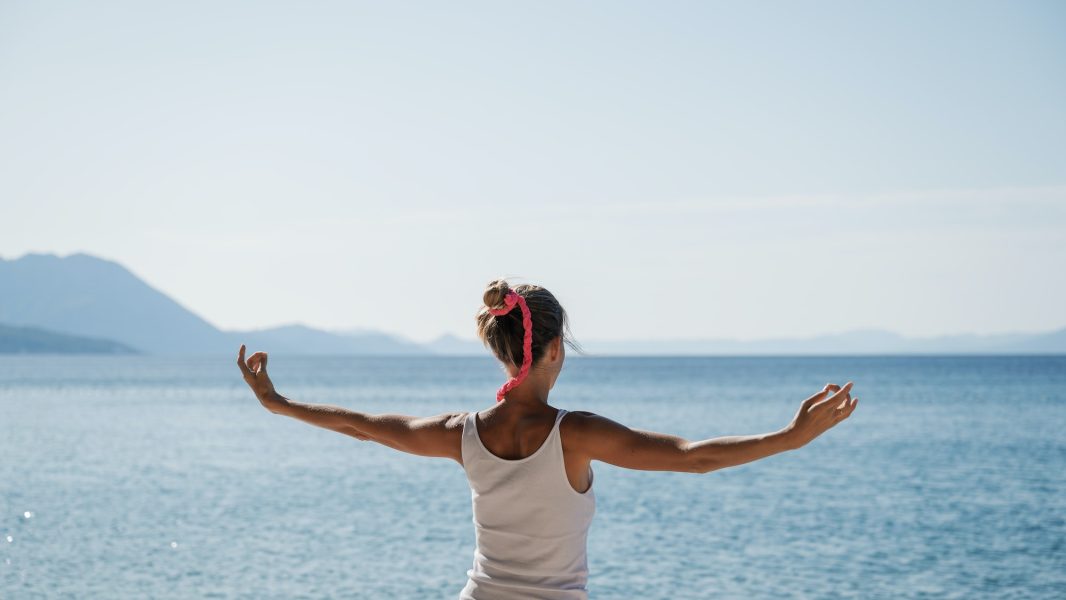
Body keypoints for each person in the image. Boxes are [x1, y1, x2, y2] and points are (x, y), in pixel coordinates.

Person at [236, 279, 858, 599]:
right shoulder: (575, 434)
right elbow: (694, 459)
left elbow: (363, 427)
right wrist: (790, 437)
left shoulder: (463, 434)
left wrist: (276, 402)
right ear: (555, 349)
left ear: (501, 351)